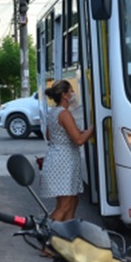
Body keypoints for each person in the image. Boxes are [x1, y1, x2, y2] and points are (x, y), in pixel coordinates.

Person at [41, 80, 94, 222]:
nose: (73, 94)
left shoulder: (53, 112)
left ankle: (65, 237)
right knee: (64, 206)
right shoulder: (64, 114)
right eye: (71, 91)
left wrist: (76, 132)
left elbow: (49, 135)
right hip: (63, 162)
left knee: (72, 202)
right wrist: (93, 128)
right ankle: (48, 239)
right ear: (64, 95)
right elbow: (79, 140)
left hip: (58, 159)